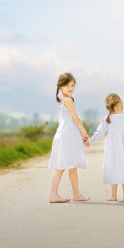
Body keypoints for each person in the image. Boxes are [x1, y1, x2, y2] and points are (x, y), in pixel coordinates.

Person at [86, 93, 124, 201]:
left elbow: (99, 133)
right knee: (123, 167)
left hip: (116, 148)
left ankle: (116, 196)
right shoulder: (112, 118)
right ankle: (123, 196)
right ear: (119, 102)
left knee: (117, 166)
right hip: (120, 148)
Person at [48, 72, 90, 203]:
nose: (70, 88)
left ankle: (75, 194)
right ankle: (55, 195)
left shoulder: (63, 101)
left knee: (69, 166)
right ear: (60, 87)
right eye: (67, 86)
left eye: (72, 85)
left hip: (64, 135)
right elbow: (76, 119)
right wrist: (84, 133)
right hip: (67, 137)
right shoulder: (68, 100)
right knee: (64, 166)